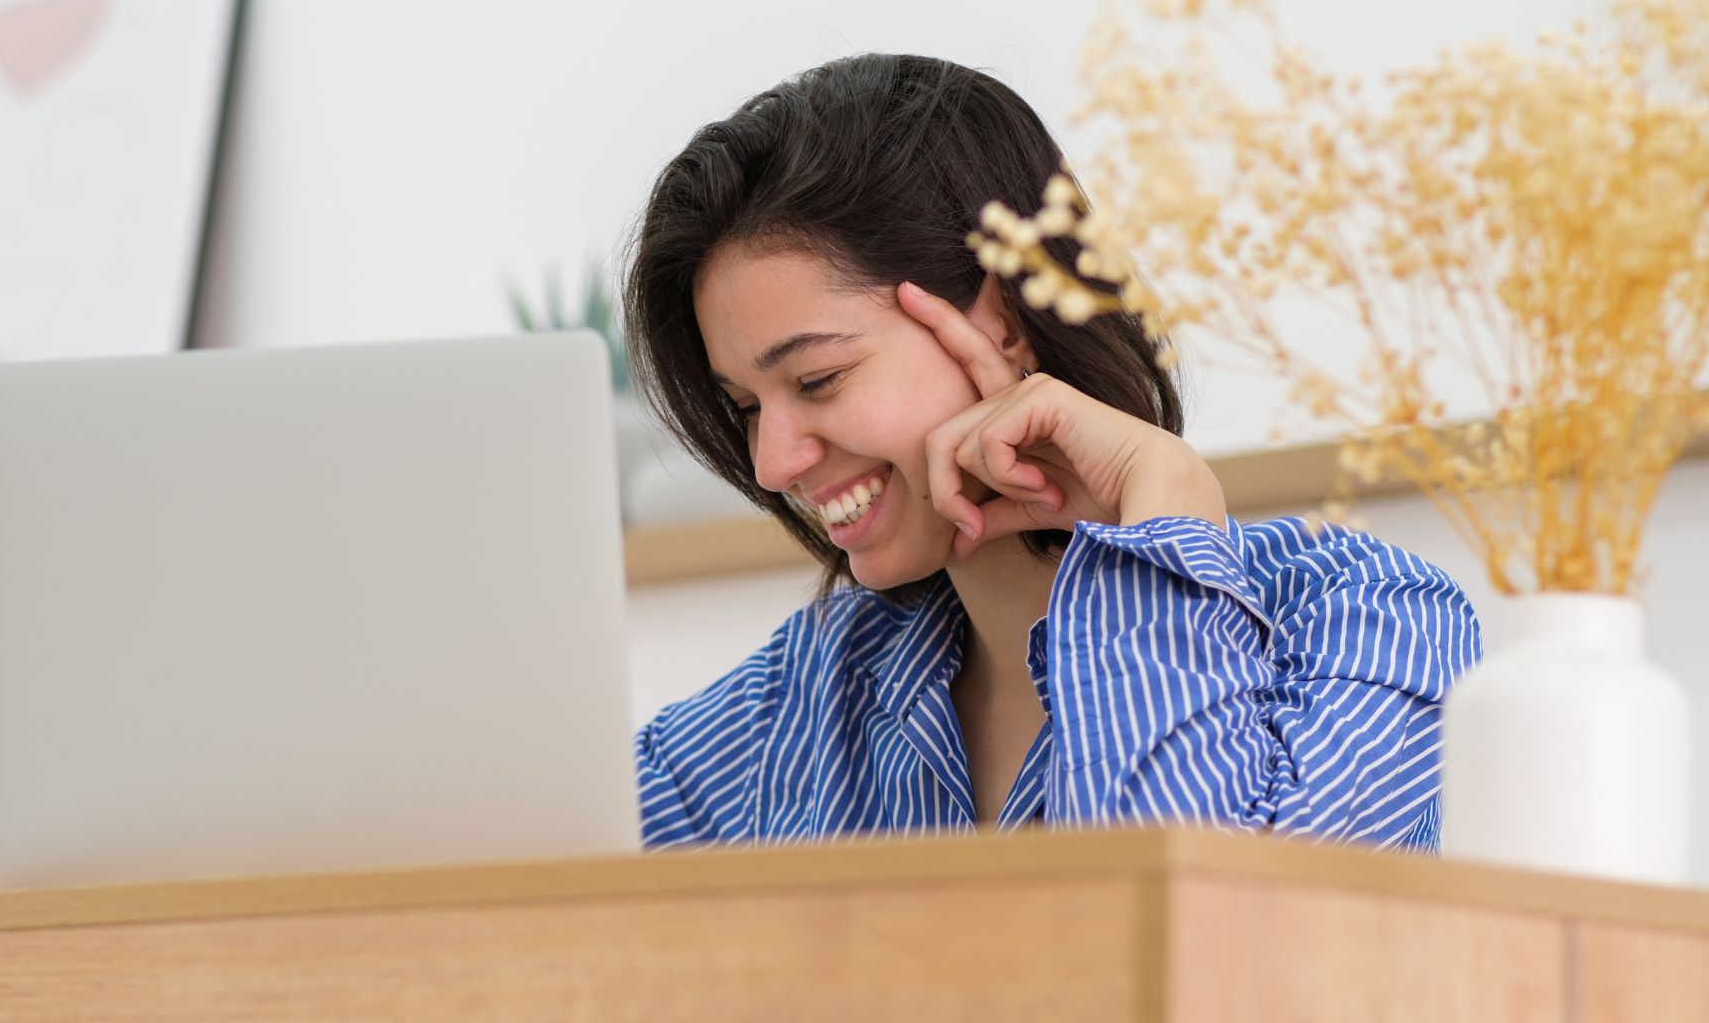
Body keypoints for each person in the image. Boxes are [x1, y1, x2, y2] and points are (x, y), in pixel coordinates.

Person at [621, 53, 1481, 851]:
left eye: (819, 380)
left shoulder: (1370, 627)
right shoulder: (801, 704)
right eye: (744, 409)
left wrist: (1163, 494)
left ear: (1002, 316)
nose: (772, 466)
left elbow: (1201, 944)